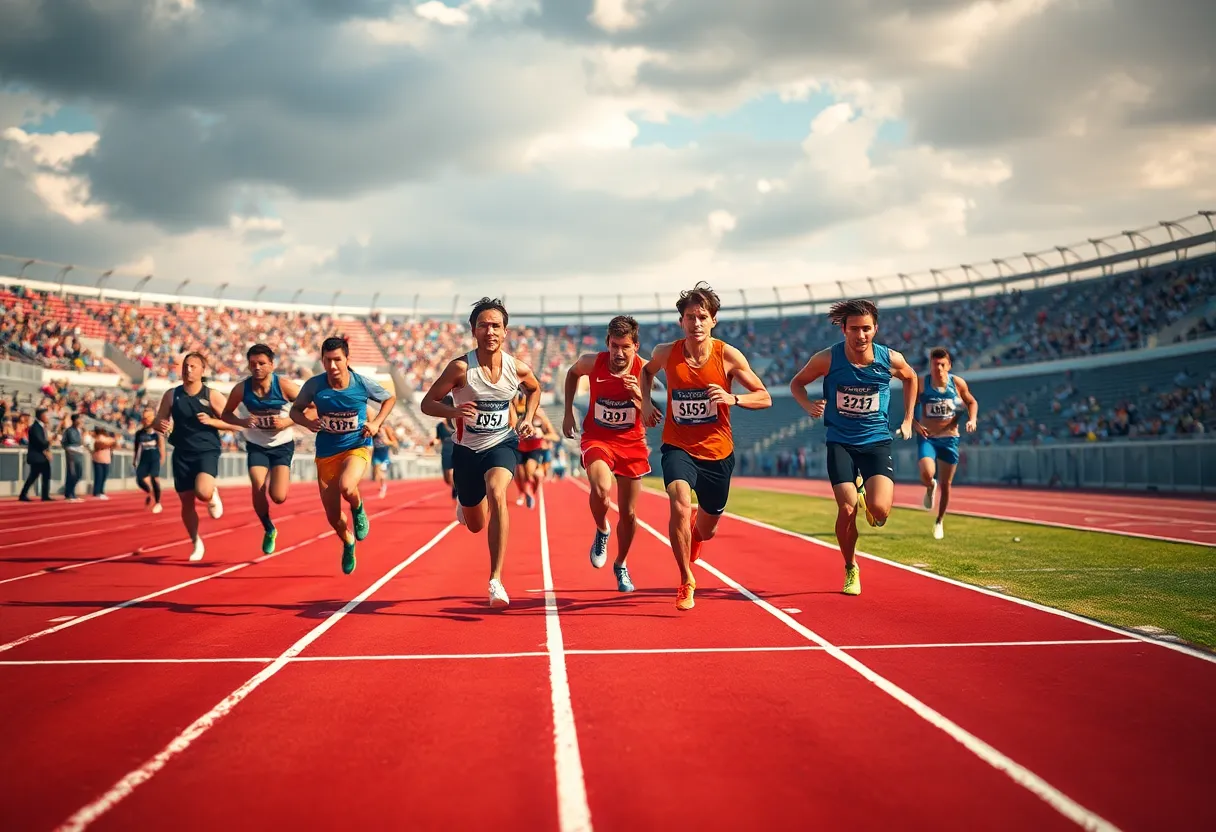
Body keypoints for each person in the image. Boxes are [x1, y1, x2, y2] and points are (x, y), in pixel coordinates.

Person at [640, 283, 772, 611]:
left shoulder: (727, 356)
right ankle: (685, 579)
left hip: (717, 452)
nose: (696, 323)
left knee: (707, 530)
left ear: (713, 320)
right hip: (677, 446)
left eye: (702, 317)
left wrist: (733, 398)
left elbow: (765, 396)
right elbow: (646, 373)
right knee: (679, 502)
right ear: (681, 321)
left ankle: (698, 534)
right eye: (690, 317)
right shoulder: (665, 353)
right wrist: (644, 403)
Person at [789, 299, 918, 596]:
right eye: (855, 329)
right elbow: (797, 383)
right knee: (846, 508)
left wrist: (909, 419)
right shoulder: (827, 359)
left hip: (875, 441)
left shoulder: (890, 359)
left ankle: (870, 499)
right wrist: (808, 404)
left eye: (867, 329)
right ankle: (850, 567)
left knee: (880, 510)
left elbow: (911, 377)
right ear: (844, 330)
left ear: (876, 329)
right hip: (840, 441)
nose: (861, 336)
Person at [420, 297, 542, 609]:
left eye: (496, 326)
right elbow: (427, 403)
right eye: (483, 325)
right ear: (474, 331)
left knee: (498, 492)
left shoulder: (517, 368)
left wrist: (527, 419)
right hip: (466, 451)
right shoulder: (461, 368)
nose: (490, 331)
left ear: (505, 332)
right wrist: (455, 410)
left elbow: (535, 388)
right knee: (476, 524)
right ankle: (465, 502)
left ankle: (496, 580)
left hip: (501, 444)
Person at [563, 314, 658, 593]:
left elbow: (652, 417)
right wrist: (568, 412)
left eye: (625, 347)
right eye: (614, 346)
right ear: (607, 343)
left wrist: (639, 397)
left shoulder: (645, 372)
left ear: (635, 346)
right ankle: (602, 528)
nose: (618, 352)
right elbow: (572, 373)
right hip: (598, 438)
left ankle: (621, 564)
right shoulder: (592, 362)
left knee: (628, 514)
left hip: (631, 443)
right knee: (601, 488)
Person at [290, 336, 397, 575]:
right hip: (327, 452)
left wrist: (377, 423)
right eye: (328, 360)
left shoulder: (361, 383)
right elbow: (295, 410)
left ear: (347, 360)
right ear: (322, 360)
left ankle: (358, 510)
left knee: (347, 486)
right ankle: (347, 540)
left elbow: (390, 398)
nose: (333, 366)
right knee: (332, 516)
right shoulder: (314, 386)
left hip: (356, 446)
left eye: (338, 360)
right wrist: (307, 422)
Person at [154, 353, 239, 561]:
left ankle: (211, 495)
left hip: (206, 450)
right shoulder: (171, 395)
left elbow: (236, 424)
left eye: (193, 366)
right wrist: (160, 425)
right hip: (181, 452)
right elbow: (158, 421)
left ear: (203, 370)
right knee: (186, 502)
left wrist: (213, 422)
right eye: (185, 366)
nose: (188, 369)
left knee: (202, 491)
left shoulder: (212, 395)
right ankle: (196, 542)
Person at [221, 344, 302, 554]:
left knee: (278, 497)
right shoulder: (241, 389)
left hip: (282, 445)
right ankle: (268, 528)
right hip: (256, 444)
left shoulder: (285, 386)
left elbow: (312, 409)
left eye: (262, 363)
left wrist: (286, 422)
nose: (257, 367)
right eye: (253, 364)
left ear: (272, 365)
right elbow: (226, 414)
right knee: (257, 485)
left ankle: (282, 479)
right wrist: (243, 421)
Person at [914, 346, 978, 539]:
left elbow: (971, 402)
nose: (938, 368)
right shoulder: (922, 383)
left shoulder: (957, 384)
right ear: (930, 366)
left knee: (947, 484)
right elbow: (909, 406)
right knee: (927, 473)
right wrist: (914, 424)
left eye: (942, 364)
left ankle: (939, 520)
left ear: (949, 365)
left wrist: (972, 419)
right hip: (929, 438)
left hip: (950, 439)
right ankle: (929, 486)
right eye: (935, 365)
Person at [515, 394, 559, 509]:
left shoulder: (542, 419)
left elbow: (555, 436)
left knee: (530, 472)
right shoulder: (522, 417)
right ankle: (525, 493)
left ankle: (531, 492)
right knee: (519, 475)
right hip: (520, 449)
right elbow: (514, 428)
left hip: (535, 449)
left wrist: (543, 435)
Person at [133, 408, 165, 513]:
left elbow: (161, 447)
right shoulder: (139, 433)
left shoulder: (157, 432)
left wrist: (162, 459)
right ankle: (149, 491)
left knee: (154, 478)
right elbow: (136, 448)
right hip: (144, 458)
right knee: (139, 478)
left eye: (147, 418)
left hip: (154, 457)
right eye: (143, 418)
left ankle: (158, 503)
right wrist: (134, 460)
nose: (145, 420)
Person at [18, 408, 53, 502]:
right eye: (46, 415)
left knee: (45, 475)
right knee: (33, 476)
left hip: (42, 456)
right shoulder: (35, 427)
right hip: (37, 456)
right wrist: (49, 442)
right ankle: (23, 495)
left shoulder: (41, 427)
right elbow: (40, 442)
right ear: (41, 416)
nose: (48, 417)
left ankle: (45, 495)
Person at [433, 398, 457, 500]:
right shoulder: (440, 426)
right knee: (447, 478)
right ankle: (454, 486)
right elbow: (438, 439)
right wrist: (433, 442)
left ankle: (456, 489)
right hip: (446, 452)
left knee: (453, 473)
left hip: (457, 450)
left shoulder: (459, 422)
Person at [371, 423, 399, 499]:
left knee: (382, 473)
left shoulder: (386, 430)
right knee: (378, 473)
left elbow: (395, 443)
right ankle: (382, 485)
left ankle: (383, 487)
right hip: (376, 455)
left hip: (385, 456)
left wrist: (388, 442)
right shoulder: (372, 431)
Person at [90, 427, 117, 500]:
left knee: (103, 477)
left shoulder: (106, 438)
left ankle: (101, 491)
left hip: (106, 459)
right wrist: (108, 444)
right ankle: (97, 492)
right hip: (98, 459)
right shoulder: (97, 438)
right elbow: (100, 444)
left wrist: (108, 444)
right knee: (99, 476)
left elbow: (113, 442)